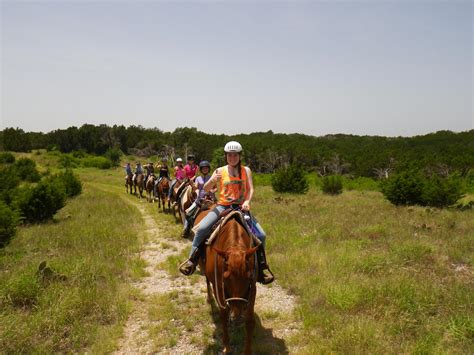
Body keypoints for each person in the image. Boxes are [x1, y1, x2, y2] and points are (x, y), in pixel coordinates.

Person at [179, 141, 274, 284]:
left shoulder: (246, 170)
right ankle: (192, 260)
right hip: (222, 207)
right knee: (202, 229)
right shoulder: (219, 171)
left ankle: (261, 268)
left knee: (261, 234)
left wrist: (247, 201)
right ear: (226, 156)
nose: (232, 157)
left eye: (235, 155)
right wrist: (212, 180)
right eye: (229, 155)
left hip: (241, 207)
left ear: (239, 156)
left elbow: (251, 189)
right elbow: (205, 187)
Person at [181, 160, 216, 238]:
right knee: (188, 213)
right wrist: (192, 184)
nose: (205, 169)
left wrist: (212, 190)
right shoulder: (198, 178)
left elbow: (215, 188)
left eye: (206, 168)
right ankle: (186, 229)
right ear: (201, 169)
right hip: (200, 199)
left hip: (211, 198)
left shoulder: (211, 178)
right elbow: (196, 187)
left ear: (208, 169)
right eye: (203, 168)